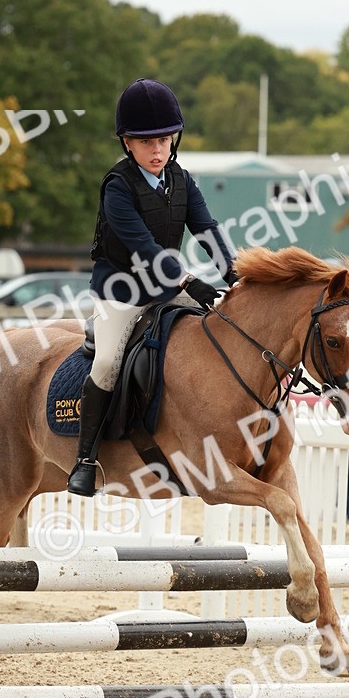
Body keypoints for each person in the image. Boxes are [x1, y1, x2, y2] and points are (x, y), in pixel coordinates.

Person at [68, 78, 237, 496]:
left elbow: (206, 228)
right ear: (127, 144)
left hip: (163, 290)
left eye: (164, 140)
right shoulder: (117, 187)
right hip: (119, 293)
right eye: (146, 143)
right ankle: (85, 460)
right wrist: (186, 280)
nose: (157, 150)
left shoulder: (181, 180)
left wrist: (235, 273)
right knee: (107, 363)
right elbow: (142, 247)